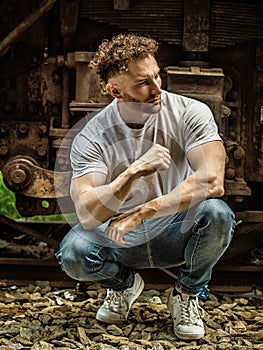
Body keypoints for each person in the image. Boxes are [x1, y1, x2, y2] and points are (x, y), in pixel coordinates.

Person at [55, 33, 235, 341]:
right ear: (115, 91)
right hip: (120, 235)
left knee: (217, 214)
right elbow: (87, 215)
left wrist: (143, 211)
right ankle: (123, 285)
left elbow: (213, 180)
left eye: (157, 76)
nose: (157, 89)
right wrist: (132, 173)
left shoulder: (190, 112)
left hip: (174, 228)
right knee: (74, 252)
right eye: (143, 83)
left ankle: (187, 293)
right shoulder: (92, 135)